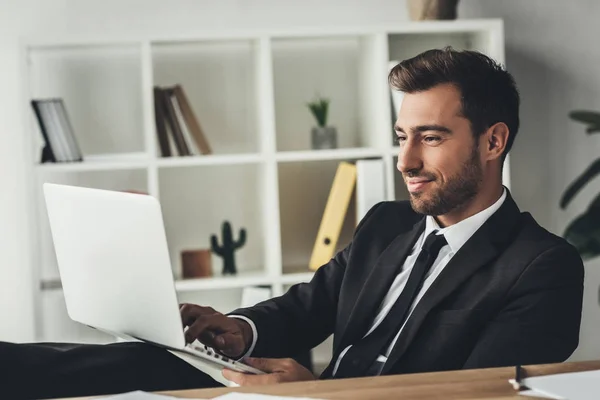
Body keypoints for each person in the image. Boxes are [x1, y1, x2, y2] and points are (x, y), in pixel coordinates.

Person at [2, 47, 584, 399]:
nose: (405, 162)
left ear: (493, 140)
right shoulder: (387, 224)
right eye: (403, 137)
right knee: (152, 359)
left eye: (430, 138)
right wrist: (236, 331)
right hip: (304, 391)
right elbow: (307, 307)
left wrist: (316, 393)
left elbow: (472, 396)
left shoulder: (541, 266)